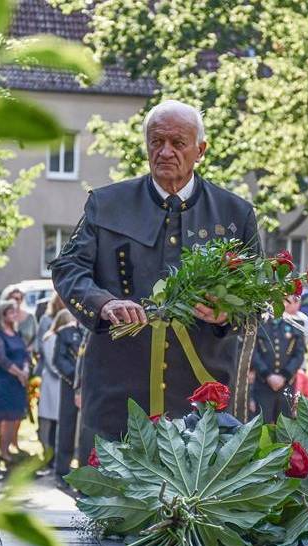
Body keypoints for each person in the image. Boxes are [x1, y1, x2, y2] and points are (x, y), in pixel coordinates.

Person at [51, 99, 260, 460]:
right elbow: (69, 268)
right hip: (119, 391)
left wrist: (227, 313)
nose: (165, 152)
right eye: (156, 142)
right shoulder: (107, 203)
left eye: (178, 143)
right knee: (112, 509)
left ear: (201, 150)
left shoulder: (235, 213)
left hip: (202, 395)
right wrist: (104, 303)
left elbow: (256, 296)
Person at [0, 300, 30, 464]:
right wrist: (19, 374)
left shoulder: (17, 334)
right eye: (11, 312)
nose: (15, 315)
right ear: (1, 315)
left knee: (12, 418)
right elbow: (1, 359)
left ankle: (5, 451)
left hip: (16, 383)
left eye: (14, 312)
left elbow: (25, 355)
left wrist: (25, 370)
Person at [250, 300, 307, 422]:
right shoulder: (258, 325)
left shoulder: (296, 326)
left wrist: (285, 375)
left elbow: (299, 354)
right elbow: (253, 353)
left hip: (286, 385)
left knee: (285, 427)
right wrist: (267, 375)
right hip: (263, 384)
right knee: (261, 426)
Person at [50, 309, 82, 484]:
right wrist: (77, 380)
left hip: (93, 387)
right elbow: (59, 360)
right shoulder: (65, 332)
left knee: (90, 430)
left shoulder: (96, 333)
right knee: (66, 428)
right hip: (70, 385)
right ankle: (61, 472)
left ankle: (88, 475)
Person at [34, 294, 66, 471]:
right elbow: (51, 358)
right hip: (54, 380)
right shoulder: (49, 330)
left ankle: (56, 455)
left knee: (59, 420)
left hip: (62, 382)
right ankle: (49, 454)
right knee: (50, 422)